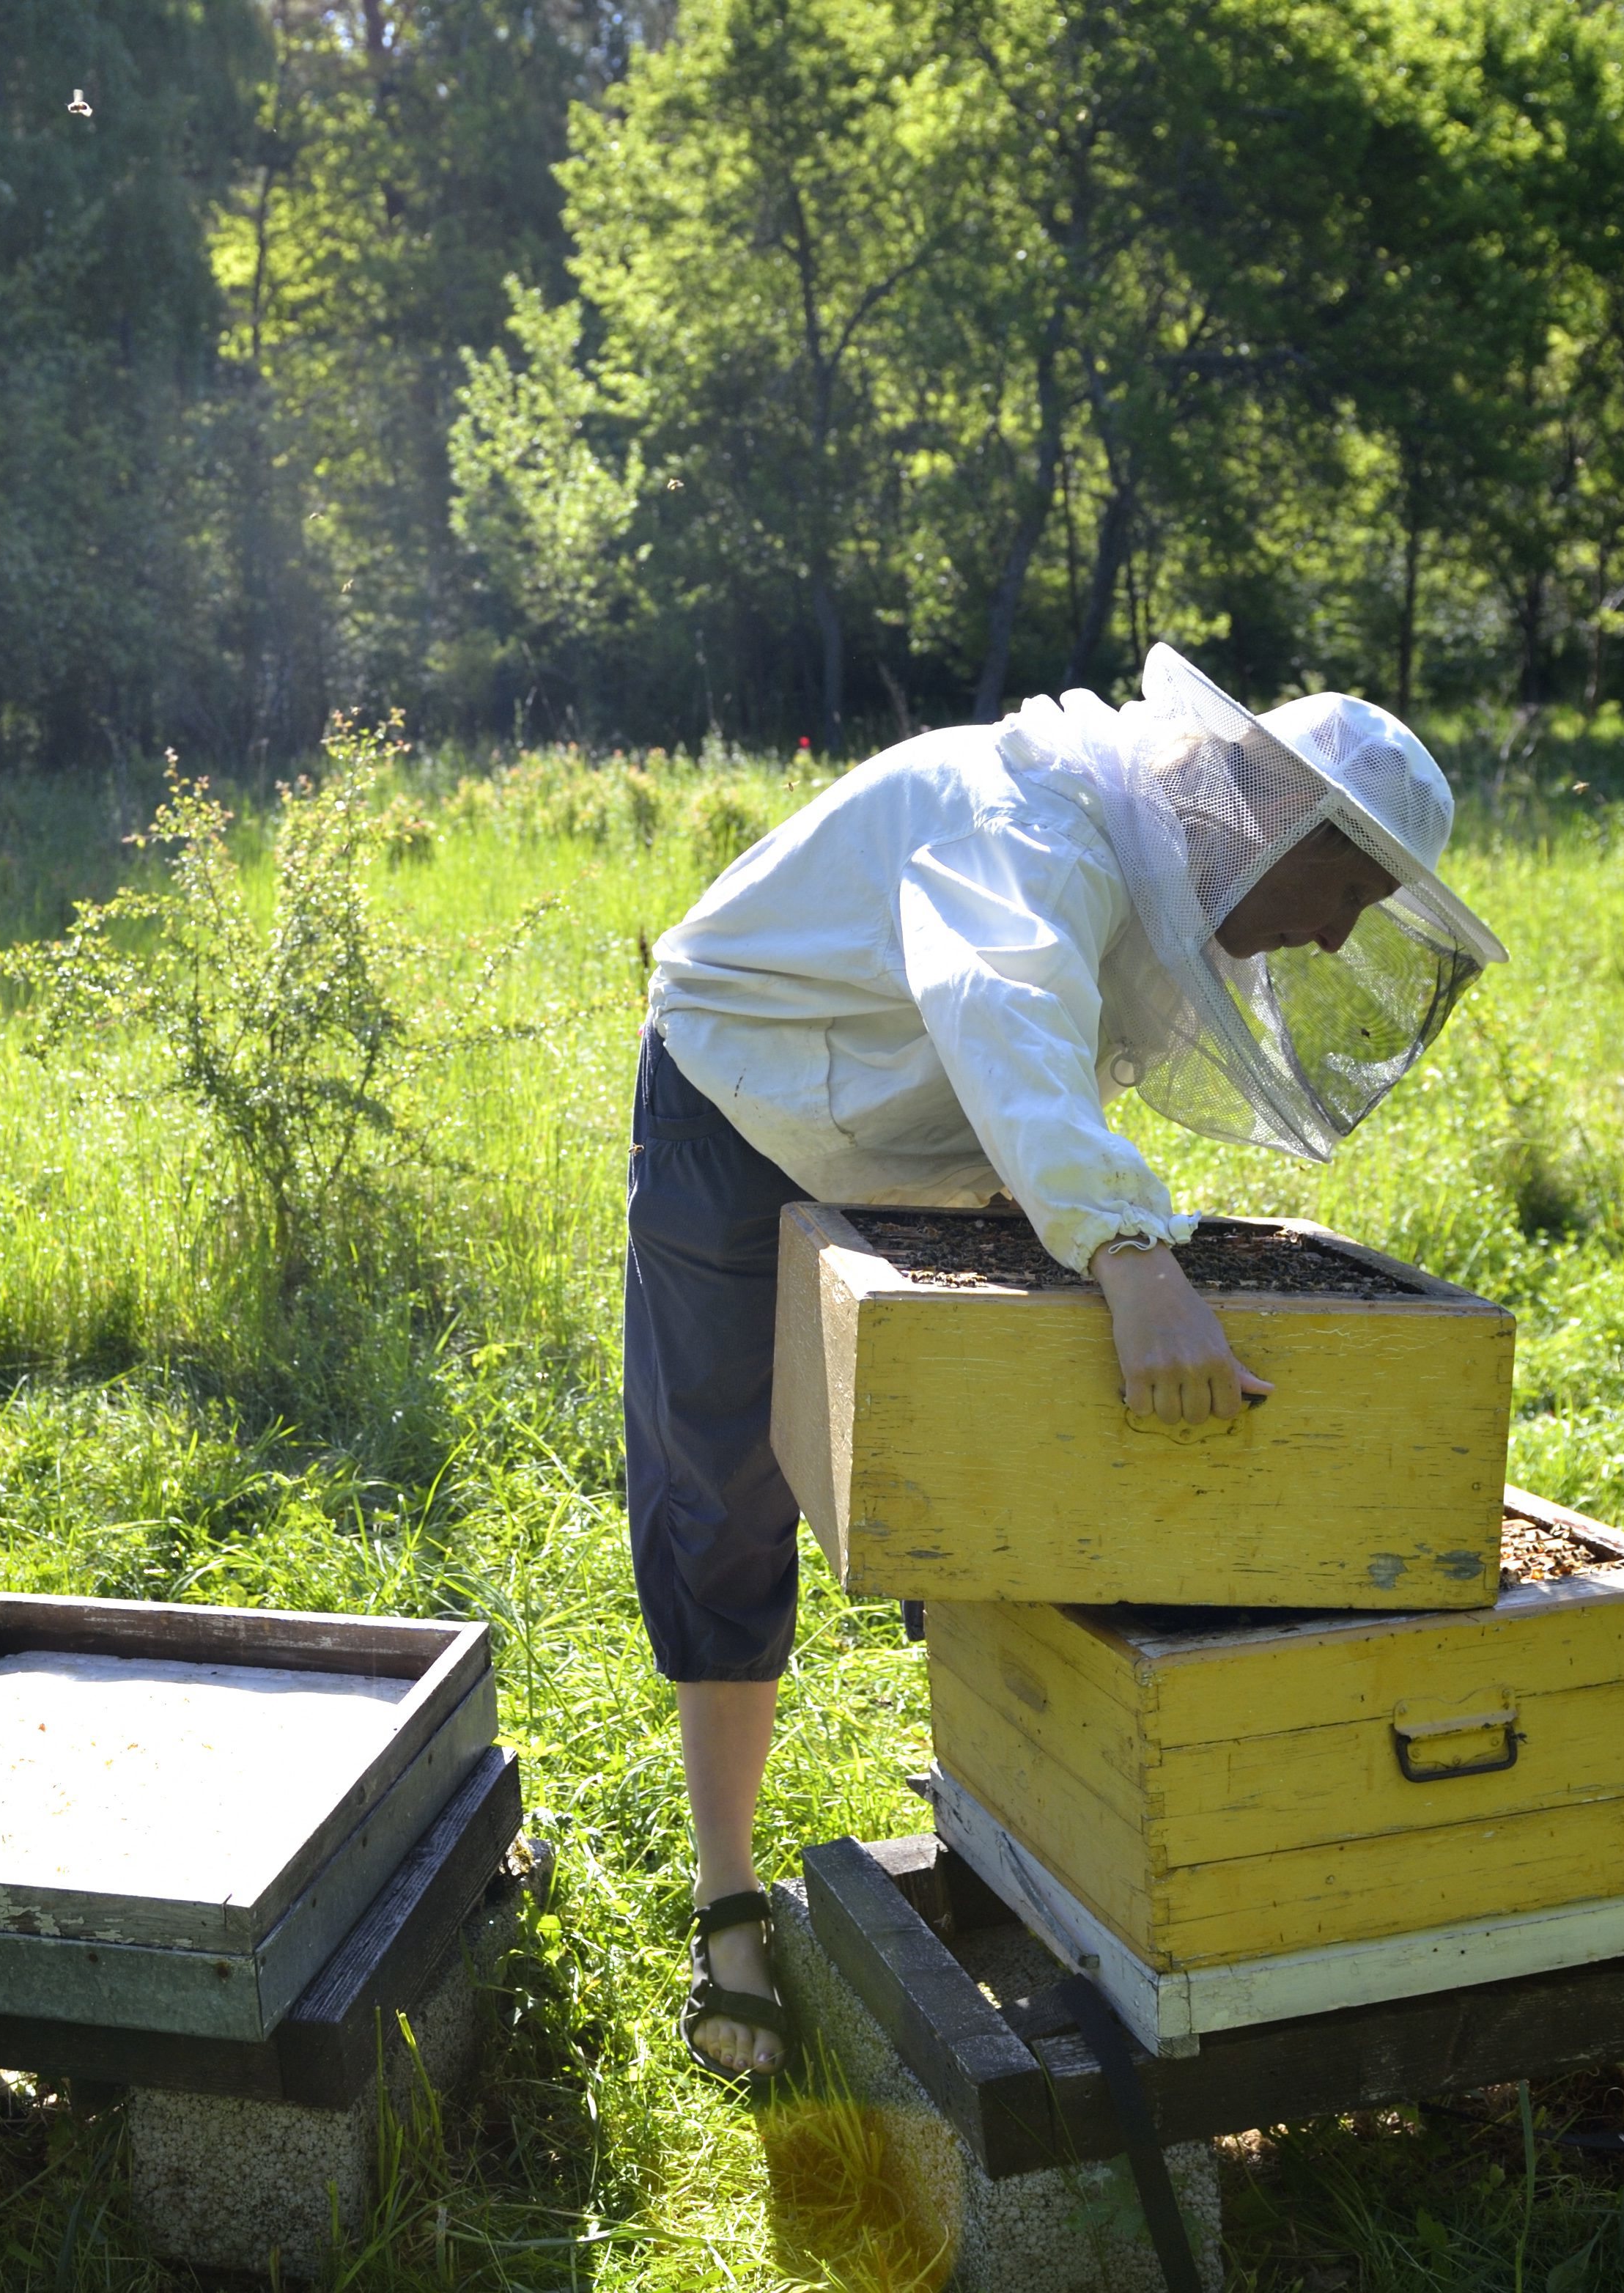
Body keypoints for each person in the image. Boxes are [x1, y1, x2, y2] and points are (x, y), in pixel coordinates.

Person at [627, 643, 1509, 2084]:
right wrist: (1128, 1255)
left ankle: (1011, 1837)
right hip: (740, 1093)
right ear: (1275, 819)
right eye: (1346, 891)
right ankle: (728, 1896)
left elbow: (1022, 1066)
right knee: (723, 1487)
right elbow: (1003, 1007)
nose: (1344, 941)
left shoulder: (1158, 858)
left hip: (934, 1131)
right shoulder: (1028, 813)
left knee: (1006, 1468)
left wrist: (1104, 1237)